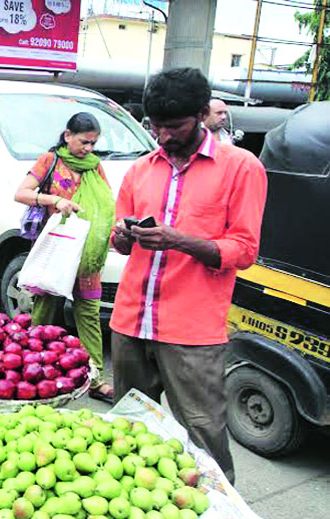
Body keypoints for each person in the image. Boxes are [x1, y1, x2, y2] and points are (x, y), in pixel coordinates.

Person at [110, 68, 267, 485]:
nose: (163, 137)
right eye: (156, 126)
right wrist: (124, 235)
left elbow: (245, 250)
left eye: (174, 126)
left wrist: (178, 240)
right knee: (128, 430)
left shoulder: (241, 168)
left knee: (204, 434)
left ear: (202, 114)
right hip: (130, 320)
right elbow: (119, 244)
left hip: (192, 330)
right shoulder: (140, 170)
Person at [14, 112, 115, 403]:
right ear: (67, 135)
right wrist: (55, 201)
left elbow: (106, 204)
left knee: (89, 314)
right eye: (84, 142)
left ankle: (95, 377)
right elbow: (21, 193)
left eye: (94, 143)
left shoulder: (95, 167)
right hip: (56, 250)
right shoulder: (50, 161)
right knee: (45, 310)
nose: (89, 149)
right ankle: (29, 368)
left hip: (87, 254)